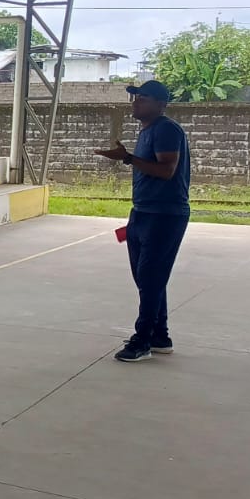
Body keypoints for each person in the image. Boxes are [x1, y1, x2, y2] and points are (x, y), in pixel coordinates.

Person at [95, 81, 191, 363]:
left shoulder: (166, 129)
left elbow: (167, 170)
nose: (136, 102)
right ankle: (159, 336)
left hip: (164, 215)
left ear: (161, 104)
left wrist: (128, 158)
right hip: (142, 211)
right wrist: (129, 158)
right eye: (135, 97)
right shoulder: (148, 131)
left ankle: (143, 340)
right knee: (147, 278)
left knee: (150, 278)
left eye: (143, 98)